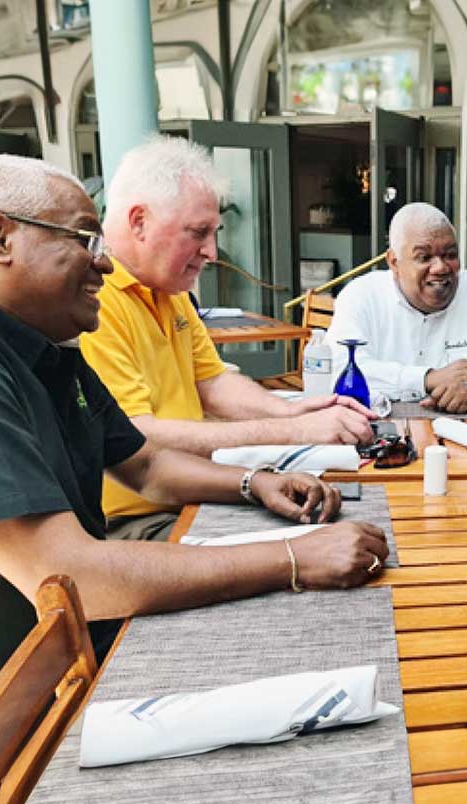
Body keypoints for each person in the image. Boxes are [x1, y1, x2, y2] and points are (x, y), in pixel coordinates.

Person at [0, 155, 387, 804]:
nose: (105, 263)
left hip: (53, 657)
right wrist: (293, 558)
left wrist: (256, 482)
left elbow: (145, 466)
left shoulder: (41, 344)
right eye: (85, 240)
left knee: (290, 663)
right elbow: (69, 575)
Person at [80, 137, 375, 540]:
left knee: (347, 522)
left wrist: (291, 413)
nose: (212, 252)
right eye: (198, 232)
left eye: (214, 232)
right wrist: (293, 432)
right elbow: (137, 439)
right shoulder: (92, 299)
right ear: (138, 221)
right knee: (321, 547)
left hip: (193, 492)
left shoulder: (169, 288)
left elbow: (213, 382)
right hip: (137, 519)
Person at [325, 202, 467, 413]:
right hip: (382, 432)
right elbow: (338, 368)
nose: (440, 267)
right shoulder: (362, 295)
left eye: (450, 255)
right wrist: (427, 378)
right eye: (424, 257)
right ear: (394, 262)